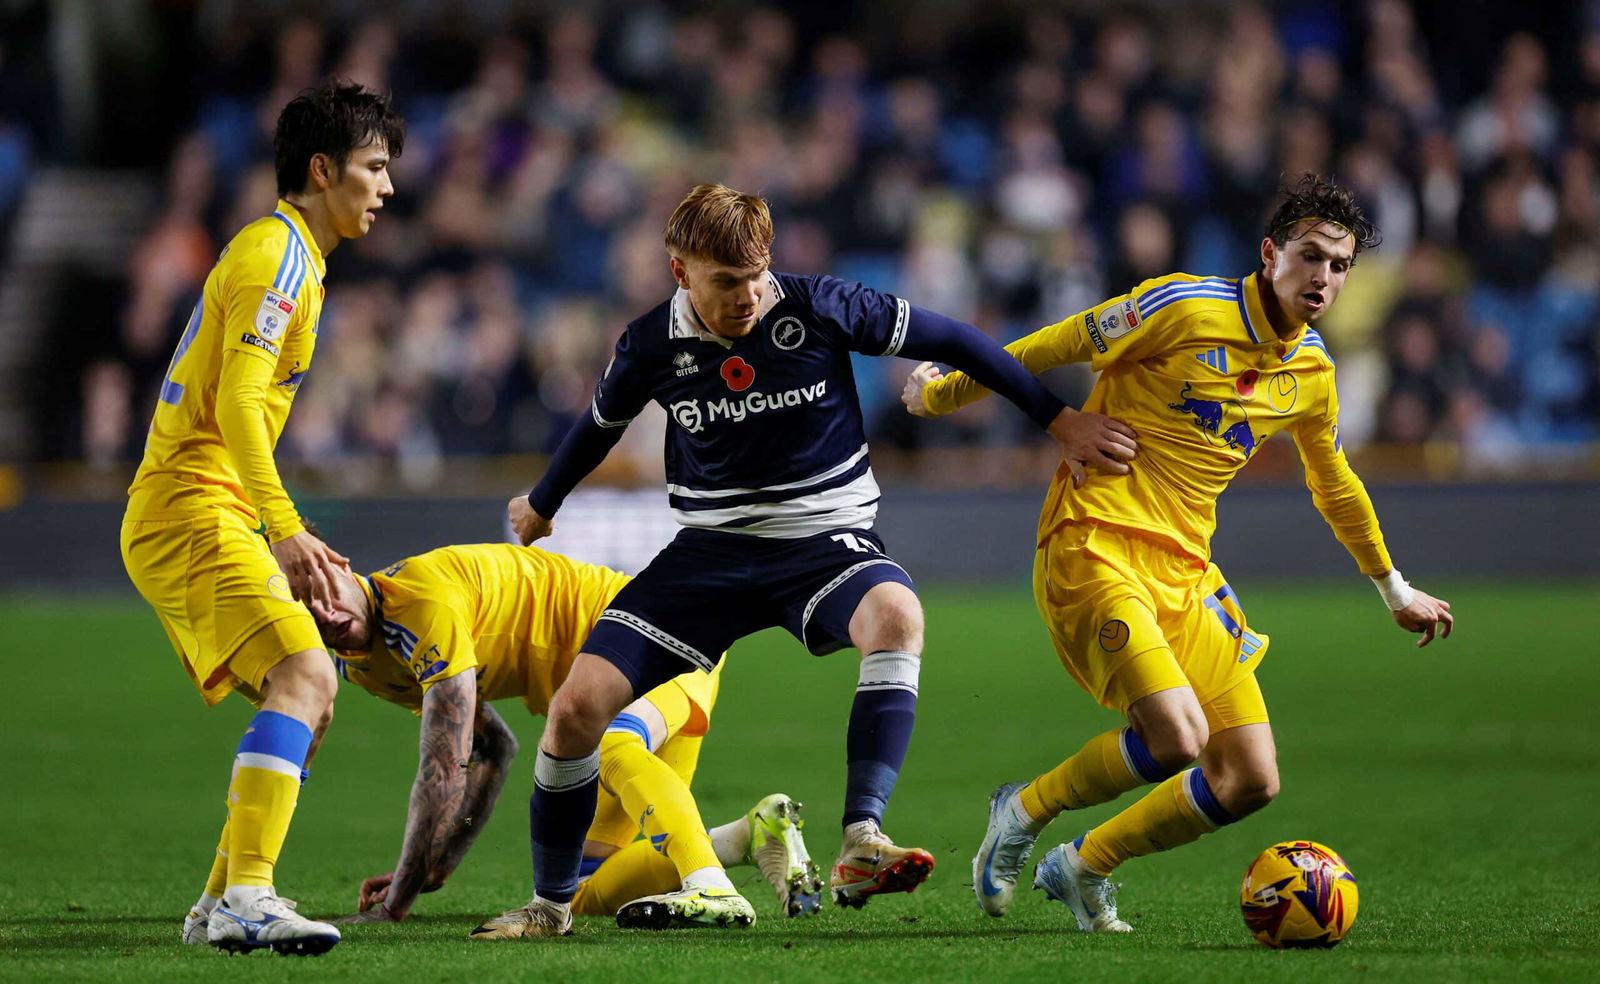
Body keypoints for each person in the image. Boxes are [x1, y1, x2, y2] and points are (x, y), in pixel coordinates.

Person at [475, 183, 1137, 939]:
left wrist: (1059, 421)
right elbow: (600, 424)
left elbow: (955, 340)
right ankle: (550, 907)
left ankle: (862, 838)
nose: (749, 296)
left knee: (897, 615)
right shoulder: (650, 344)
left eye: (758, 275)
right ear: (679, 272)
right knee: (574, 708)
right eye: (727, 282)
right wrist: (543, 501)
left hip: (823, 544)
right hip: (708, 556)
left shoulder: (820, 305)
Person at [905, 174, 1454, 932]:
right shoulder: (1183, 306)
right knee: (1178, 737)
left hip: (1186, 572)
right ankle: (1023, 809)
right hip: (1096, 539)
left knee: (1250, 780)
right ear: (1270, 254)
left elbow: (1335, 484)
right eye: (1310, 256)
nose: (1323, 277)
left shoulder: (1313, 374)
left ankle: (1083, 864)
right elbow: (1056, 343)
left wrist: (1394, 589)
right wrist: (941, 394)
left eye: (1339, 265)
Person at [120, 79, 403, 956]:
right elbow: (240, 405)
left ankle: (220, 904)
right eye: (373, 166)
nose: (387, 187)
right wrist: (284, 527)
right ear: (322, 171)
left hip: (205, 507)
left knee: (309, 699)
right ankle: (248, 895)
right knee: (308, 674)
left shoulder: (289, 259)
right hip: (190, 508)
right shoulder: (277, 254)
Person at [308, 542, 821, 929]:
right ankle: (747, 837)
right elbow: (490, 746)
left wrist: (398, 901)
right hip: (600, 699)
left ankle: (709, 886)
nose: (324, 614)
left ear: (338, 562)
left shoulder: (420, 603)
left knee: (613, 740)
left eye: (323, 592)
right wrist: (439, 859)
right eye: (305, 610)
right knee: (581, 889)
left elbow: (444, 769)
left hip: (656, 631)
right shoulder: (367, 667)